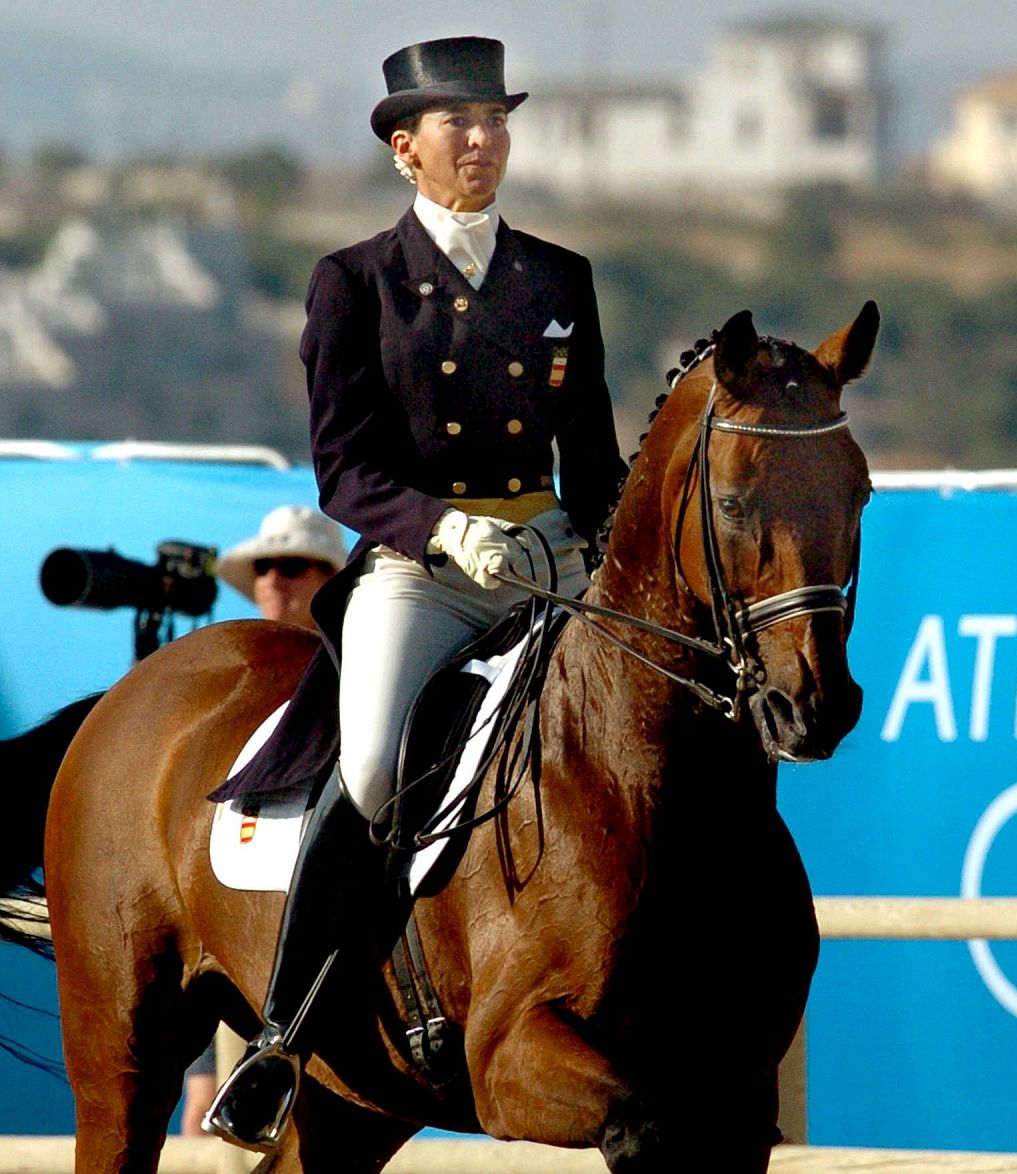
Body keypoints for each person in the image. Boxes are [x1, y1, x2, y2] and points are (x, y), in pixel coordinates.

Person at [203, 35, 626, 1151]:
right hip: (422, 572)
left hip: (546, 562)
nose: (483, 140)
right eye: (458, 124)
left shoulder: (558, 277)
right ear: (406, 149)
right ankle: (284, 1035)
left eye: (495, 120)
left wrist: (594, 548)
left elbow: (592, 456)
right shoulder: (354, 281)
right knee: (377, 762)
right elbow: (342, 468)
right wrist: (445, 533)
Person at [179, 505, 344, 1137]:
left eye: (294, 566)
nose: (274, 580)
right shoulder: (222, 693)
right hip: (220, 956)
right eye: (266, 568)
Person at [214, 505, 345, 630]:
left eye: (291, 567)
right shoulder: (235, 650)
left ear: (330, 580)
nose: (272, 581)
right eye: (262, 567)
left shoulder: (359, 649)